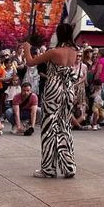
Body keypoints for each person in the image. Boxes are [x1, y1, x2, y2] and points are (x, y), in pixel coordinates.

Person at [23, 24, 80, 178]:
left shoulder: (54, 52)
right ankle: (69, 166)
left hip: (54, 88)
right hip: (68, 89)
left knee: (49, 127)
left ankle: (48, 168)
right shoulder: (75, 51)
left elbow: (30, 62)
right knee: (64, 126)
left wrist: (27, 48)